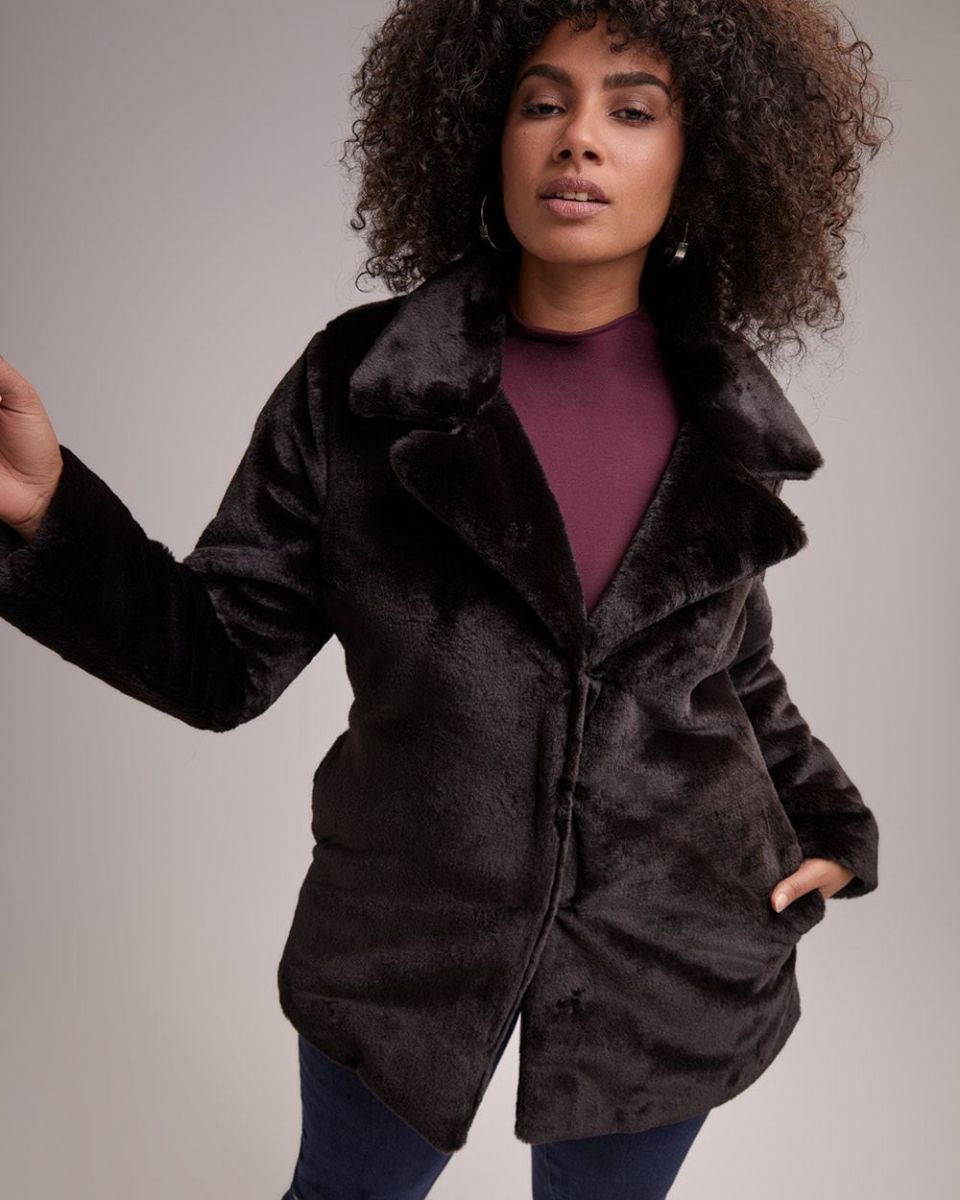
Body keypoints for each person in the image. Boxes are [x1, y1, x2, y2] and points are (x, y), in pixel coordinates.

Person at [0, 3, 891, 1198]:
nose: (579, 137)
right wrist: (50, 515)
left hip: (675, 948)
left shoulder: (723, 413)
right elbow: (217, 658)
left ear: (702, 159)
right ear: (487, 133)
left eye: (632, 110)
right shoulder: (363, 386)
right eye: (543, 101)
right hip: (402, 944)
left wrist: (827, 822)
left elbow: (732, 664)